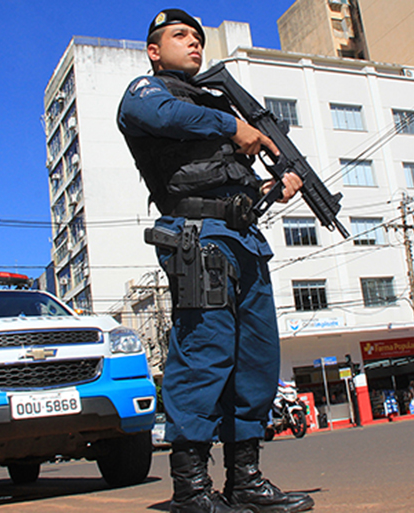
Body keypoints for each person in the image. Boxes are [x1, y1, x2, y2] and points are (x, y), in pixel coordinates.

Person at [117, 9, 313, 513]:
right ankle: (190, 489)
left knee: (256, 359)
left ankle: (244, 479)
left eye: (199, 37)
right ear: (155, 50)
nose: (194, 43)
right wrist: (234, 126)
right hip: (198, 239)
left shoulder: (212, 104)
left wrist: (273, 187)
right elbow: (163, 118)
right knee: (204, 354)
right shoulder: (146, 93)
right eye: (180, 36)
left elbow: (230, 182)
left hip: (244, 237)